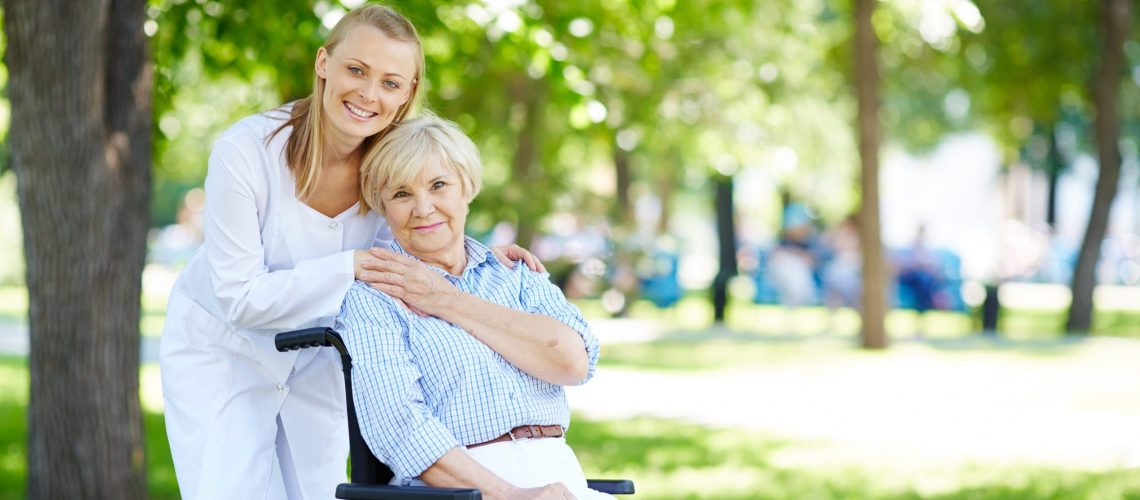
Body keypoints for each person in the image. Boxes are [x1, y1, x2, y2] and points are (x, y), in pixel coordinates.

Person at [159, 5, 542, 499]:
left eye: (390, 82)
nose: (367, 94)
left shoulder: (393, 166)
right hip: (223, 348)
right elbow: (238, 297)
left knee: (318, 490)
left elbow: (419, 241)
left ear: (408, 93)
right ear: (324, 63)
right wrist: (351, 267)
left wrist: (476, 255)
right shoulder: (246, 152)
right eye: (356, 70)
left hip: (319, 353)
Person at [336, 114, 610, 499]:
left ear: (467, 187)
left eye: (438, 185)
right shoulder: (374, 298)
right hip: (462, 492)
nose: (423, 208)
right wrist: (511, 495)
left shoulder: (516, 275)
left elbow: (573, 362)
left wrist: (443, 299)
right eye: (401, 194)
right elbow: (399, 427)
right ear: (381, 205)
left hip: (563, 478)